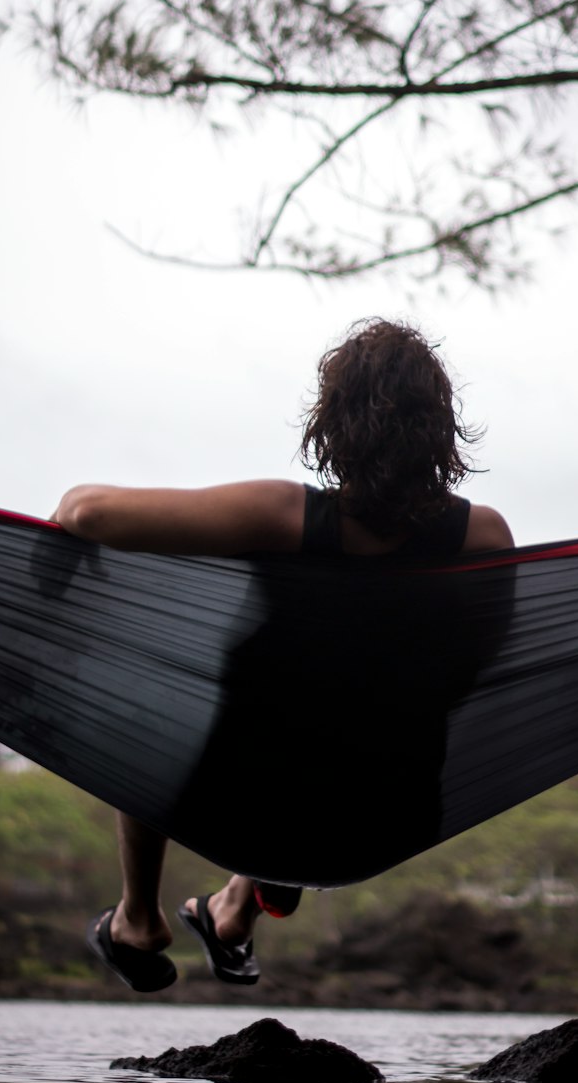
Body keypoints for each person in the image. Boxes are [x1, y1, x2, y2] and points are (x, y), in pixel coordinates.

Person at [53, 318, 513, 993]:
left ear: (333, 426)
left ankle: (138, 917)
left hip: (248, 803)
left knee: (154, 690)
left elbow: (86, 511)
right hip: (386, 819)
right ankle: (234, 907)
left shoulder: (280, 515)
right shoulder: (485, 536)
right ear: (440, 431)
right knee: (354, 708)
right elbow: (479, 669)